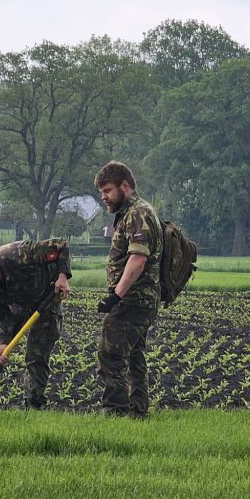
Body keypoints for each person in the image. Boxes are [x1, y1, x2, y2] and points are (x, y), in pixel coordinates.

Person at [0, 238, 71, 409]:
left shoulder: (21, 255)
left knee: (36, 357)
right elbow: (0, 315)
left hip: (45, 299)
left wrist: (62, 276)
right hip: (13, 307)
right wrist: (2, 343)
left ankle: (32, 408)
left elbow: (60, 246)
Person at [94, 161, 163, 418]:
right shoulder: (130, 213)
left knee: (110, 355)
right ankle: (137, 411)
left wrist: (116, 296)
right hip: (139, 300)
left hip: (133, 300)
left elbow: (138, 258)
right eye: (102, 193)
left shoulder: (137, 213)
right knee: (134, 356)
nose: (104, 197)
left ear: (125, 186)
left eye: (108, 191)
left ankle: (116, 412)